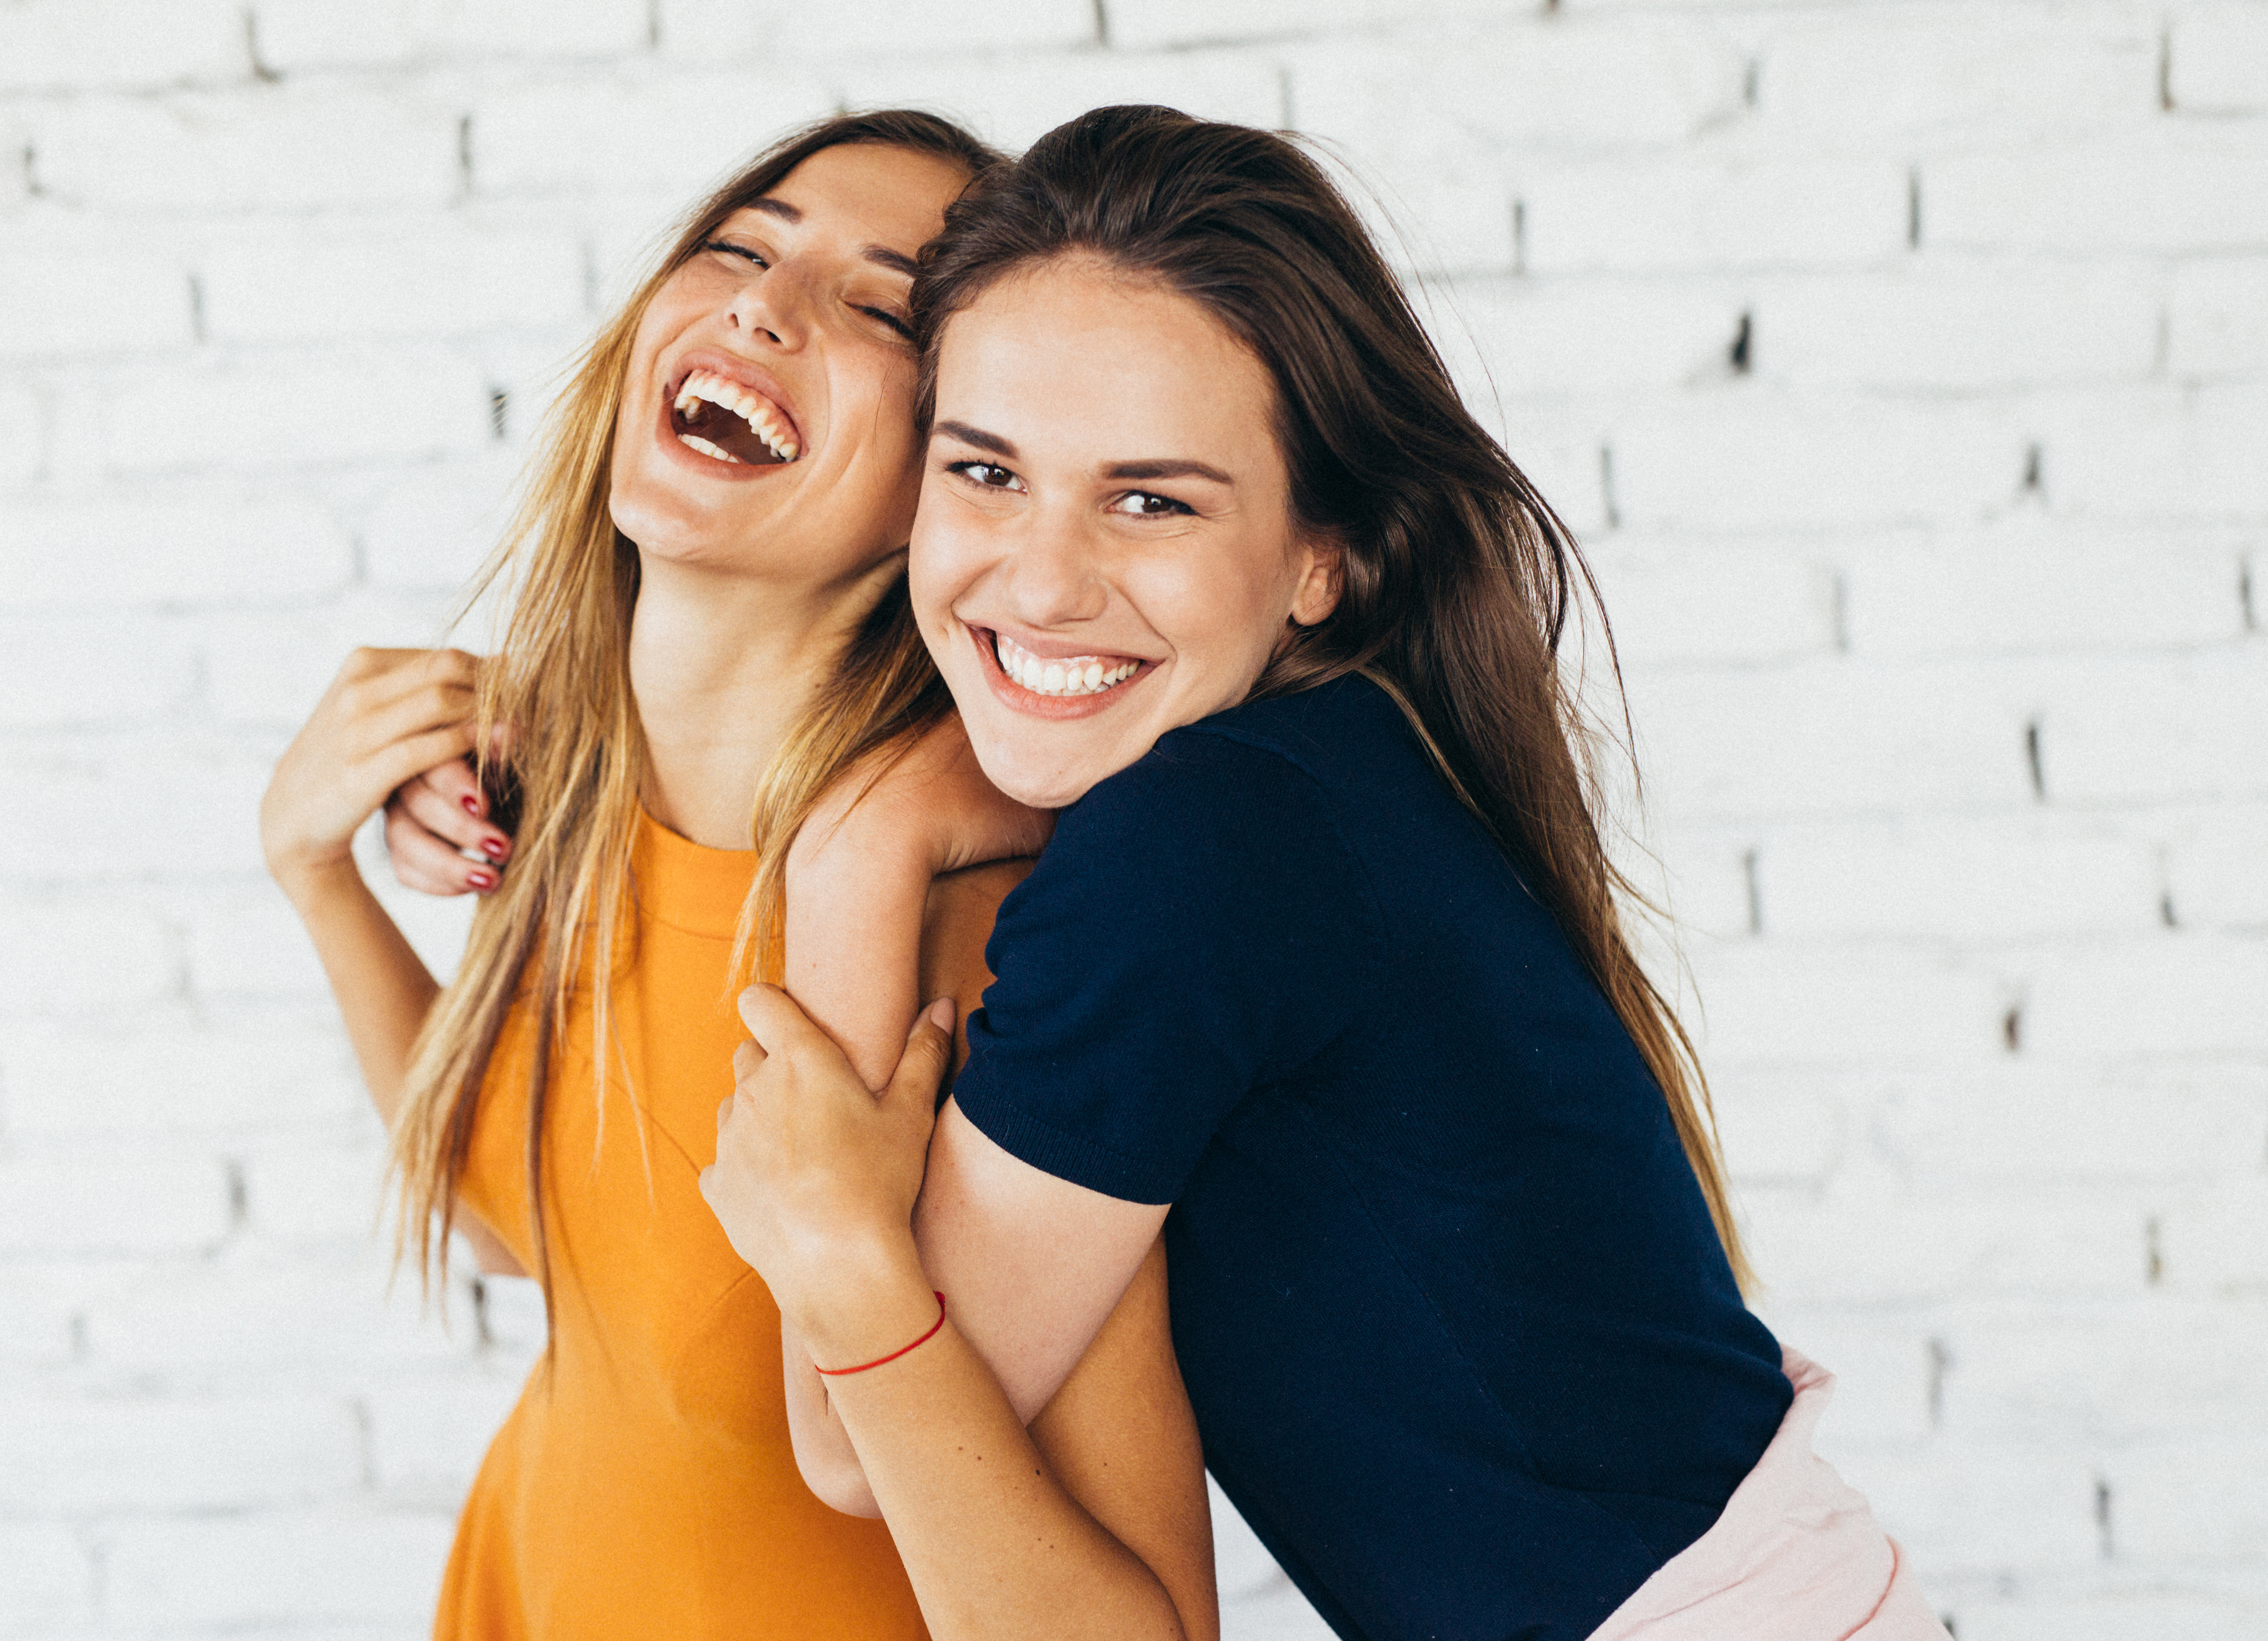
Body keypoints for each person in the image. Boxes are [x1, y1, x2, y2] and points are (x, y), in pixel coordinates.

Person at [702, 106, 1945, 1641]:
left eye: (1150, 499)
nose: (1039, 577)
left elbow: (845, 1450)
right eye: (986, 473)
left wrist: (856, 864)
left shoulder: (1194, 852)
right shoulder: (1321, 777)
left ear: (1321, 559)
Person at [256, 110, 1219, 1640]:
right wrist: (321, 877)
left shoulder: (966, 945)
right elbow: (529, 1236)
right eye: (740, 247)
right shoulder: (569, 809)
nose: (765, 306)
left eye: (878, 303)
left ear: (949, 472)